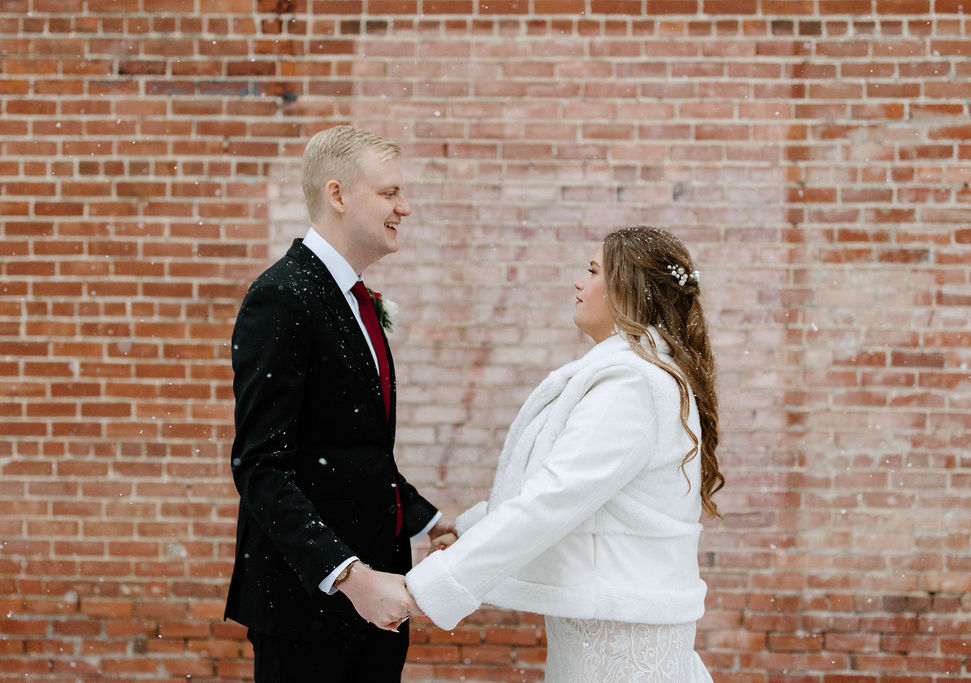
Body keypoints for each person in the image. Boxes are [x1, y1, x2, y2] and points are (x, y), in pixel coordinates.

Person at [406, 226, 724, 681]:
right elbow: (574, 496)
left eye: (593, 271)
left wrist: (434, 586)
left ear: (629, 293)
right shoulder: (642, 375)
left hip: (620, 650)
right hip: (610, 632)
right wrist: (471, 530)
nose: (579, 282)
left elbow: (554, 499)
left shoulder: (633, 385)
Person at [224, 125, 453, 682]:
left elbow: (352, 448)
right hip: (309, 610)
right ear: (338, 195)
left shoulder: (354, 297)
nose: (406, 207)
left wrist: (426, 522)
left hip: (375, 606)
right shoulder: (283, 296)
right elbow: (261, 465)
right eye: (390, 193)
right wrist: (349, 576)